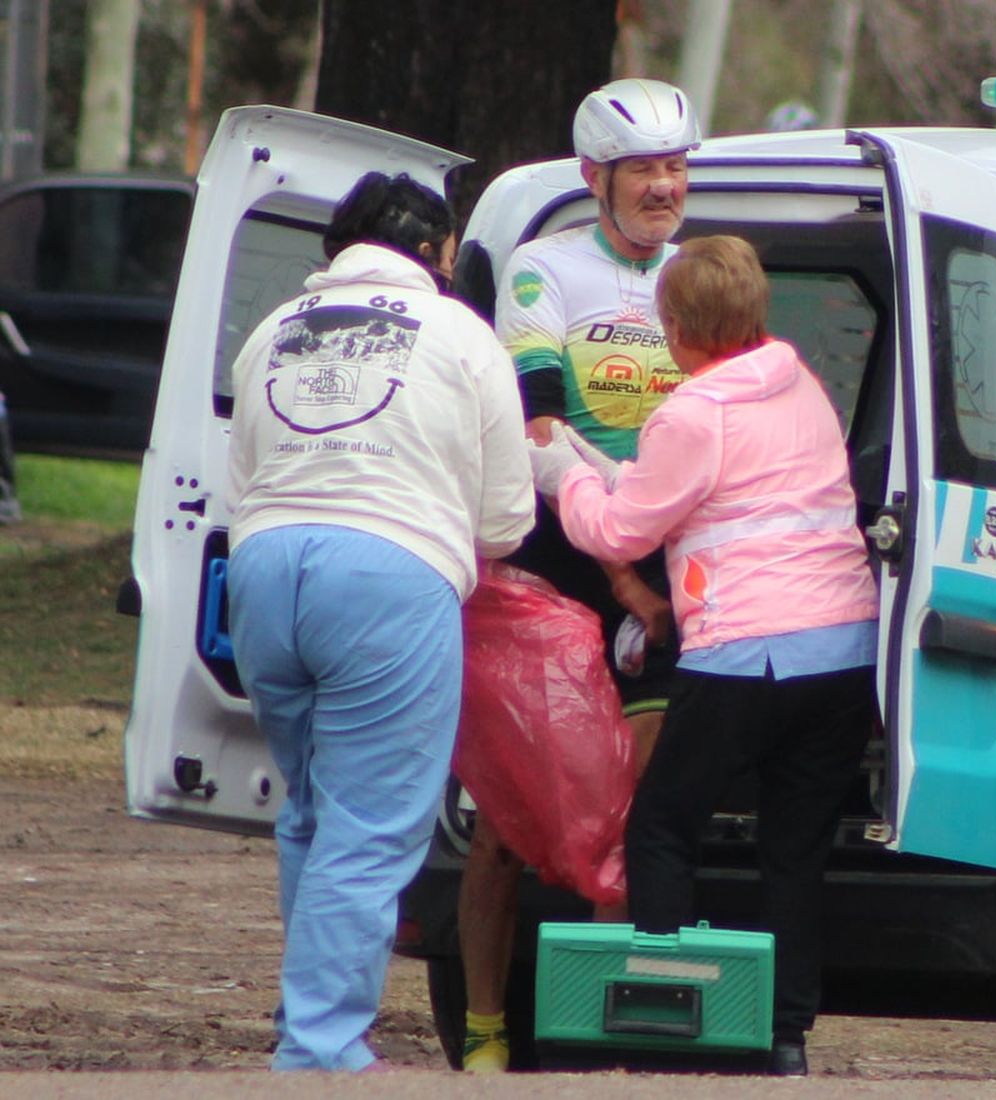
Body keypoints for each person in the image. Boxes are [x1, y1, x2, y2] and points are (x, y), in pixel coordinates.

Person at [530, 235, 879, 1077]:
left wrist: (558, 472)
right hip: (840, 653)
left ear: (679, 329)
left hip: (743, 656)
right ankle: (786, 1038)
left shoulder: (690, 415)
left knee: (661, 828)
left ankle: (663, 1014)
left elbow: (616, 531)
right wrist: (610, 474)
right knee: (793, 851)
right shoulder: (801, 386)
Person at [224, 171, 534, 1071]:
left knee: (314, 812)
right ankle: (320, 1048)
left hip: (267, 568)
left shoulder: (272, 333)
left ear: (336, 252)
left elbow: (240, 478)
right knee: (372, 823)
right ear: (439, 254)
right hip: (390, 573)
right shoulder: (461, 335)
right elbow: (506, 519)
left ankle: (307, 1021)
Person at [456, 77, 700, 1073]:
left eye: (679, 167)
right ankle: (480, 1023)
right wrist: (626, 524)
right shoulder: (542, 268)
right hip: (561, 570)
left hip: (661, 567)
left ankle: (606, 1037)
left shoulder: (699, 275)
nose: (665, 186)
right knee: (510, 825)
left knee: (636, 816)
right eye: (645, 168)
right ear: (597, 175)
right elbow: (542, 428)